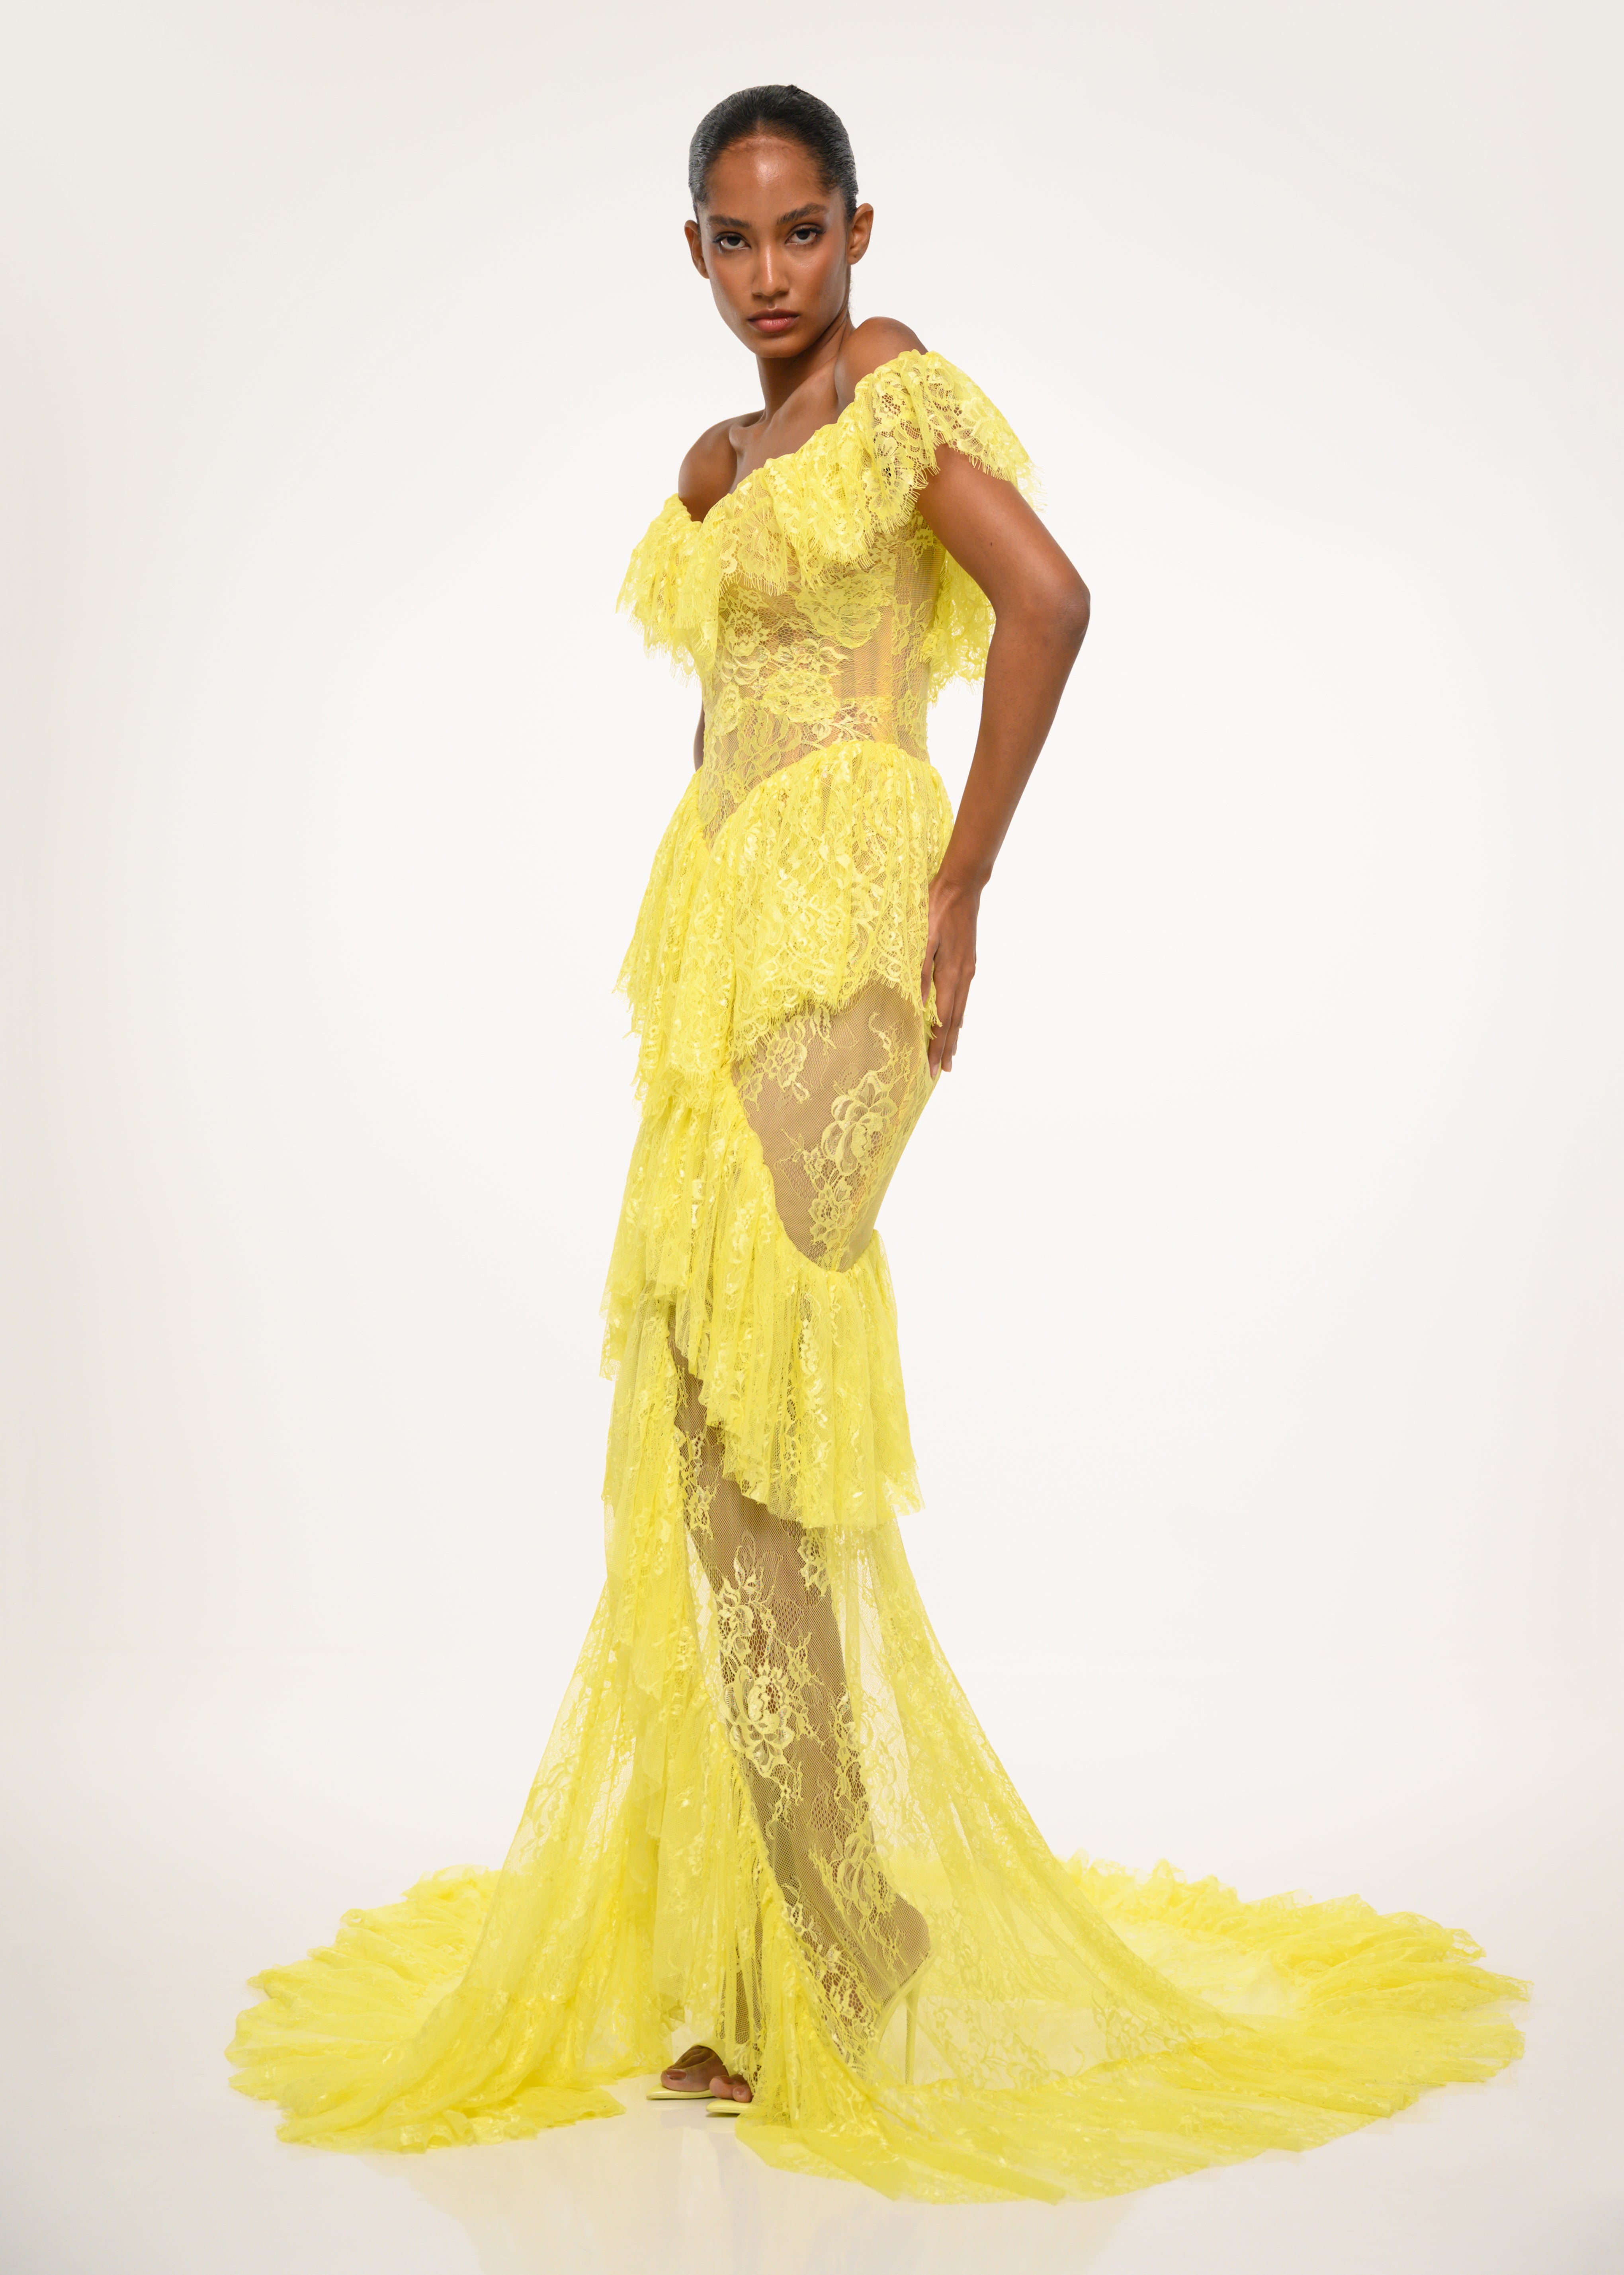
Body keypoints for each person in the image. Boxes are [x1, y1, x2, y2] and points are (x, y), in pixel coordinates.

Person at [229, 85, 1525, 2202]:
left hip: (856, 922)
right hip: (722, 929)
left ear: (856, 229)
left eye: (804, 231)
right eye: (736, 240)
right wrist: (707, 880)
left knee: (755, 1396)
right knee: (698, 1422)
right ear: (693, 251)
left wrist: (965, 876)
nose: (774, 273)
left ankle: (844, 1937)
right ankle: (799, 1931)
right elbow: (721, 704)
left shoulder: (894, 391)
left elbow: (1053, 603)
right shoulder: (714, 463)